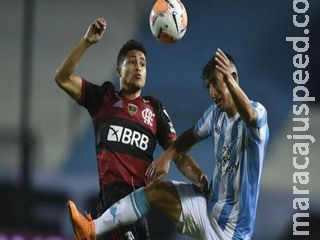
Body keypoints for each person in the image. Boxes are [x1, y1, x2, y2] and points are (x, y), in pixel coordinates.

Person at [66, 48, 269, 240]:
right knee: (157, 190)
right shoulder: (216, 115)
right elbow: (192, 135)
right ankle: (92, 229)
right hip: (208, 207)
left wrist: (228, 81)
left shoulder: (257, 113)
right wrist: (167, 156)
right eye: (209, 86)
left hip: (232, 233)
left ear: (233, 78)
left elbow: (250, 117)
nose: (213, 91)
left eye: (217, 82)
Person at [55, 17, 202, 240]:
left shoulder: (154, 109)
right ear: (118, 69)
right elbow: (62, 78)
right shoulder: (103, 98)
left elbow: (178, 154)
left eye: (143, 64)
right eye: (132, 61)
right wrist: (87, 41)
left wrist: (201, 178)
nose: (138, 67)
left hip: (135, 209)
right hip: (108, 205)